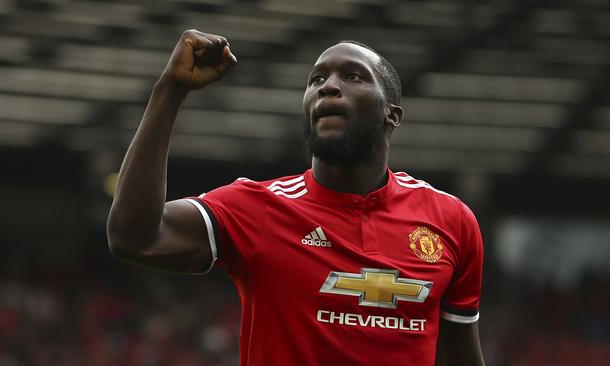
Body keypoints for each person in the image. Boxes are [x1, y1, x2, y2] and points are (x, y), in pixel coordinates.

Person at [107, 29, 485, 365]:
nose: (327, 86)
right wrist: (170, 89)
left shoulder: (450, 220)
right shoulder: (257, 207)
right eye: (316, 79)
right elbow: (135, 237)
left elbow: (460, 356)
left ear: (392, 114)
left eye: (352, 76)